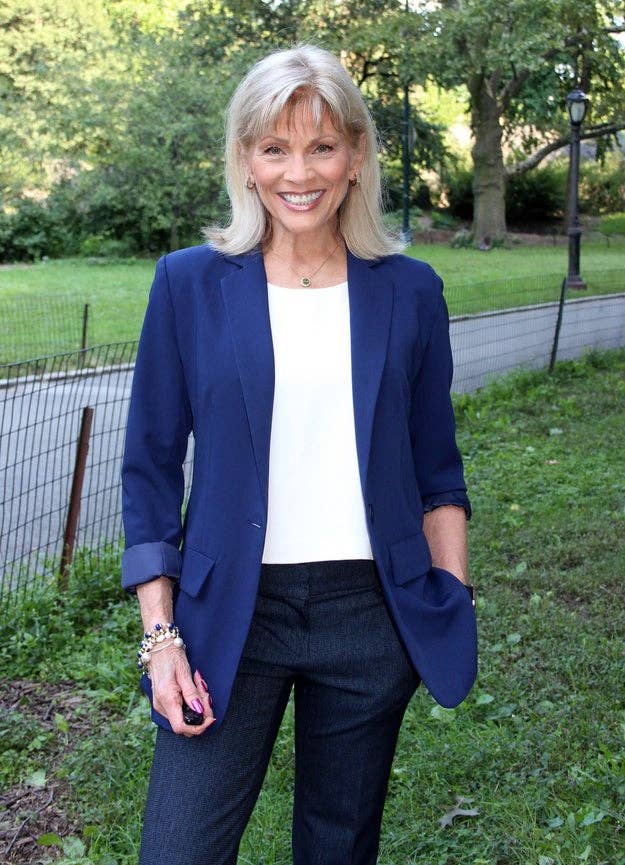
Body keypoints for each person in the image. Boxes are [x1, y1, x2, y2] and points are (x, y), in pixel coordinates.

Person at [121, 44, 477, 865]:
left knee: (336, 847)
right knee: (177, 849)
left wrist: (450, 594)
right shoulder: (188, 284)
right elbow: (148, 469)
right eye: (274, 147)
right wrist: (161, 636)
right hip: (228, 615)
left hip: (369, 613)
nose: (298, 172)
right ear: (246, 160)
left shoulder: (410, 290)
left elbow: (437, 471)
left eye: (321, 146)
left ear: (355, 156)